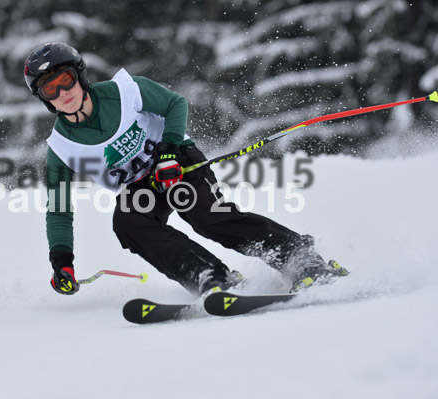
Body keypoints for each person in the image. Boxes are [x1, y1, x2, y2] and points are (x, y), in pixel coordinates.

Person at [23, 42, 348, 296]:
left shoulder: (125, 91)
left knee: (205, 216)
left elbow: (174, 104)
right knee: (127, 222)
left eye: (65, 80)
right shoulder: (62, 148)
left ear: (79, 76)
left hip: (178, 161)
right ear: (44, 99)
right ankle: (208, 275)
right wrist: (62, 263)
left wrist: (167, 152)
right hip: (141, 187)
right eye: (50, 89)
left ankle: (299, 258)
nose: (63, 93)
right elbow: (59, 209)